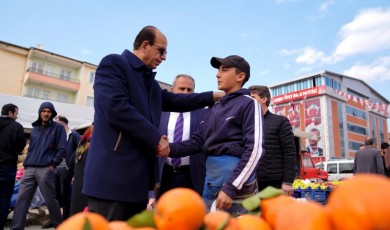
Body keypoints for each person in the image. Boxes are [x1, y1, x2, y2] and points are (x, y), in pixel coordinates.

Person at [82, 25, 223, 221]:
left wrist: (215, 96)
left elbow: (177, 100)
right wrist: (156, 138)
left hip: (137, 183)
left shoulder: (149, 82)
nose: (164, 57)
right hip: (113, 178)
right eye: (161, 50)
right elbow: (116, 109)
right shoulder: (114, 64)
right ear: (145, 45)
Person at [163, 55, 264, 215]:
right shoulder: (213, 108)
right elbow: (197, 141)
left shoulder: (249, 104)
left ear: (240, 76)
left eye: (224, 70)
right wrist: (168, 149)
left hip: (236, 182)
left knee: (239, 225)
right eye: (218, 70)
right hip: (211, 178)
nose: (218, 74)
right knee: (210, 224)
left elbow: (255, 150)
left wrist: (231, 187)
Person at [11, 102, 67, 230]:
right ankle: (16, 228)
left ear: (52, 114)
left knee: (50, 200)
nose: (46, 113)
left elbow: (62, 149)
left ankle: (60, 226)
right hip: (30, 168)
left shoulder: (58, 128)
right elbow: (31, 149)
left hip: (46, 168)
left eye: (49, 111)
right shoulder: (35, 129)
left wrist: (53, 165)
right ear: (40, 112)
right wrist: (26, 165)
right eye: (44, 111)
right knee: (21, 199)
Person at [156, 74, 206, 199]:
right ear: (172, 90)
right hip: (163, 174)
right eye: (182, 88)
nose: (186, 93)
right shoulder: (159, 113)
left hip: (193, 175)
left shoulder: (204, 114)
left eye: (190, 90)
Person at [248, 85, 296, 196]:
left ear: (264, 99)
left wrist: (287, 181)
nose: (249, 101)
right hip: (250, 182)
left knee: (273, 213)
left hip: (274, 183)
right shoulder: (247, 123)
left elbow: (289, 152)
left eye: (253, 97)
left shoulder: (280, 121)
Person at [0, 104, 26, 230]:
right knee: (4, 199)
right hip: (7, 169)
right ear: (10, 113)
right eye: (16, 113)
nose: (17, 115)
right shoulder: (17, 127)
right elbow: (20, 147)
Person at [52, 116, 80, 221]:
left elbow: (81, 149)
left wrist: (73, 164)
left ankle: (66, 219)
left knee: (66, 196)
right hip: (56, 168)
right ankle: (56, 219)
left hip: (67, 169)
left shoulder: (74, 135)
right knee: (56, 195)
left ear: (63, 124)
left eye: (56, 123)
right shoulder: (57, 135)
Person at [69, 125, 93, 215]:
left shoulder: (81, 146)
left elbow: (70, 164)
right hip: (89, 191)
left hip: (78, 188)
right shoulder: (99, 148)